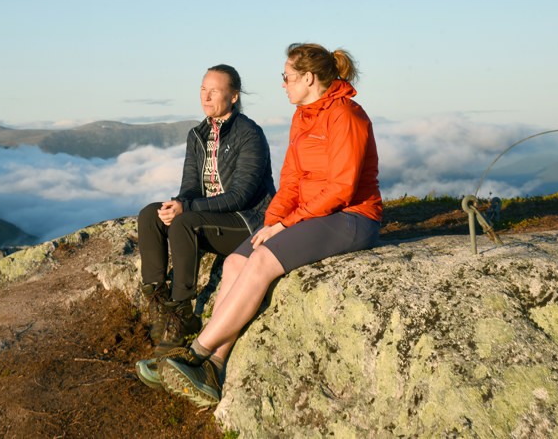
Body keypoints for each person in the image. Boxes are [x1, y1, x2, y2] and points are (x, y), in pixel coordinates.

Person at [136, 43, 382, 407]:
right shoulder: (303, 116)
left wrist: (287, 225)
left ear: (309, 79)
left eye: (287, 77)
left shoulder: (346, 116)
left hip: (352, 217)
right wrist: (271, 223)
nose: (283, 84)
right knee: (237, 261)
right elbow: (291, 182)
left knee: (263, 261)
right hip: (315, 213)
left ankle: (195, 353)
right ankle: (213, 367)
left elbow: (342, 189)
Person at [136, 64, 276, 356]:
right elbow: (190, 187)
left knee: (184, 223)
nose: (206, 96)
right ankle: (158, 304)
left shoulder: (249, 134)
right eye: (203, 89)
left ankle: (183, 314)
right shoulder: (198, 134)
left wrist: (186, 208)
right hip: (207, 213)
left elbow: (240, 196)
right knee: (151, 215)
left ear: (234, 96)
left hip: (247, 221)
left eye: (214, 91)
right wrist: (176, 204)